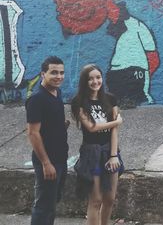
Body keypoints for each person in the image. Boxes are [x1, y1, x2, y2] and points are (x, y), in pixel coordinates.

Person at [71, 64, 123, 225]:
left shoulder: (111, 99)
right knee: (96, 200)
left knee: (110, 198)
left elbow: (114, 131)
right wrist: (116, 122)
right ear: (84, 81)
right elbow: (92, 128)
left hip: (110, 152)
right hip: (91, 155)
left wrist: (114, 155)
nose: (95, 81)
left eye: (98, 77)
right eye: (91, 78)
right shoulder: (79, 102)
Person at [26, 56, 69, 225]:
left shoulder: (57, 92)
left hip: (61, 158)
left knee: (52, 202)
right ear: (43, 74)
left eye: (61, 73)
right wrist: (46, 163)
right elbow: (33, 133)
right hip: (48, 161)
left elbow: (47, 124)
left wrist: (61, 126)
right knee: (43, 206)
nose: (59, 77)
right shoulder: (37, 99)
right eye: (54, 73)